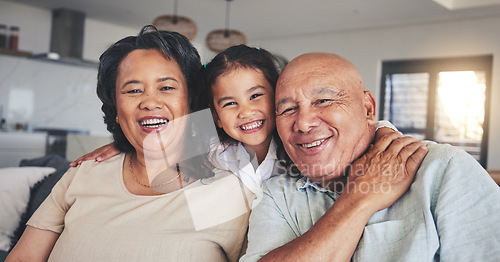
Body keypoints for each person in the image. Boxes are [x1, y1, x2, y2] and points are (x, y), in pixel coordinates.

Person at [0, 26, 252, 262]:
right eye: (133, 90)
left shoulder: (224, 190)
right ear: (116, 110)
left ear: (191, 102)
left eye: (167, 88)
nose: (149, 101)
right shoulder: (83, 174)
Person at [236, 52, 500, 262]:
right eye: (287, 109)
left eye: (323, 101)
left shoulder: (442, 170)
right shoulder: (278, 194)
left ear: (368, 108)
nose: (302, 123)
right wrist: (360, 197)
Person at [71, 44, 398, 200]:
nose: (245, 111)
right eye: (229, 103)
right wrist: (119, 143)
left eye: (257, 97)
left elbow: (364, 129)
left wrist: (384, 133)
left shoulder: (303, 146)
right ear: (216, 116)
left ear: (277, 99)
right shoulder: (215, 147)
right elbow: (161, 134)